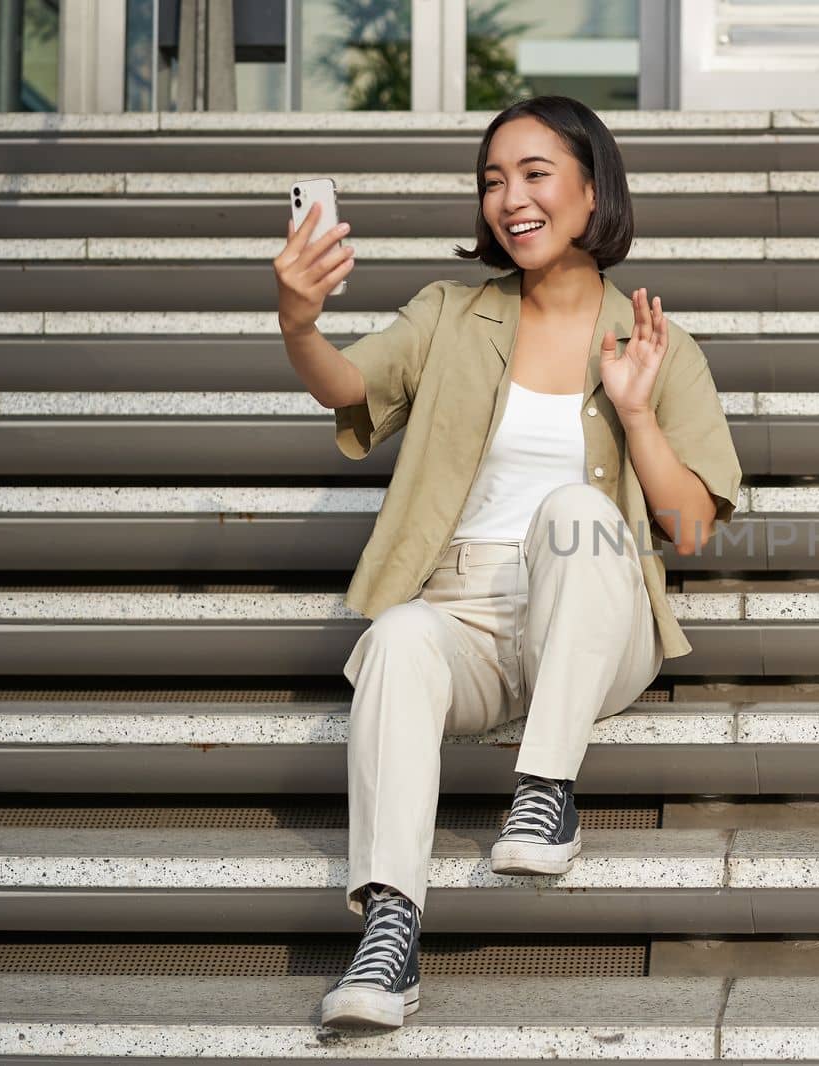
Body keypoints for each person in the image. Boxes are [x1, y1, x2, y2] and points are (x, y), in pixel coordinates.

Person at [273, 95, 743, 1030]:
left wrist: (638, 413)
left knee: (574, 510)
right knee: (402, 638)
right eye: (493, 180)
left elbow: (690, 524)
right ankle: (389, 934)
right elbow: (350, 384)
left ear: (592, 187)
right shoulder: (450, 314)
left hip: (593, 620)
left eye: (534, 174)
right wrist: (298, 322)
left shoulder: (658, 342)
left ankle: (546, 792)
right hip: (467, 621)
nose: (510, 198)